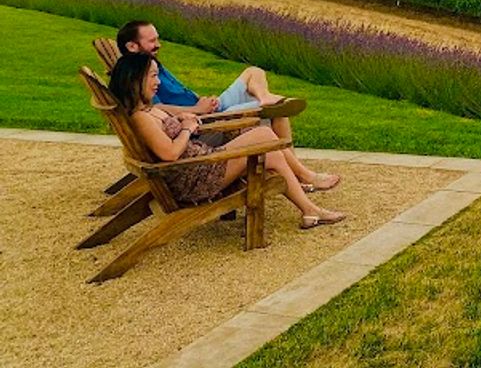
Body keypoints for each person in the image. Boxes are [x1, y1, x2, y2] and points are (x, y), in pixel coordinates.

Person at [108, 51, 345, 229]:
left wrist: (183, 119)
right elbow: (169, 154)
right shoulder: (140, 118)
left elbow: (166, 129)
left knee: (261, 138)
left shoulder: (148, 110)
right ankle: (308, 195)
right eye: (153, 76)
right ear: (135, 79)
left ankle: (308, 205)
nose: (158, 82)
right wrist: (187, 130)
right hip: (196, 177)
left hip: (200, 164)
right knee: (264, 138)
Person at [117, 19, 339, 193]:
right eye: (152, 41)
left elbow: (172, 101)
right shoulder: (138, 79)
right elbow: (159, 112)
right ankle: (302, 175)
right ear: (132, 46)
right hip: (203, 124)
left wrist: (202, 101)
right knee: (276, 113)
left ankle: (264, 97)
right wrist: (196, 112)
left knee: (253, 72)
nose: (158, 44)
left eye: (157, 39)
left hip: (203, 111)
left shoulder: (151, 67)